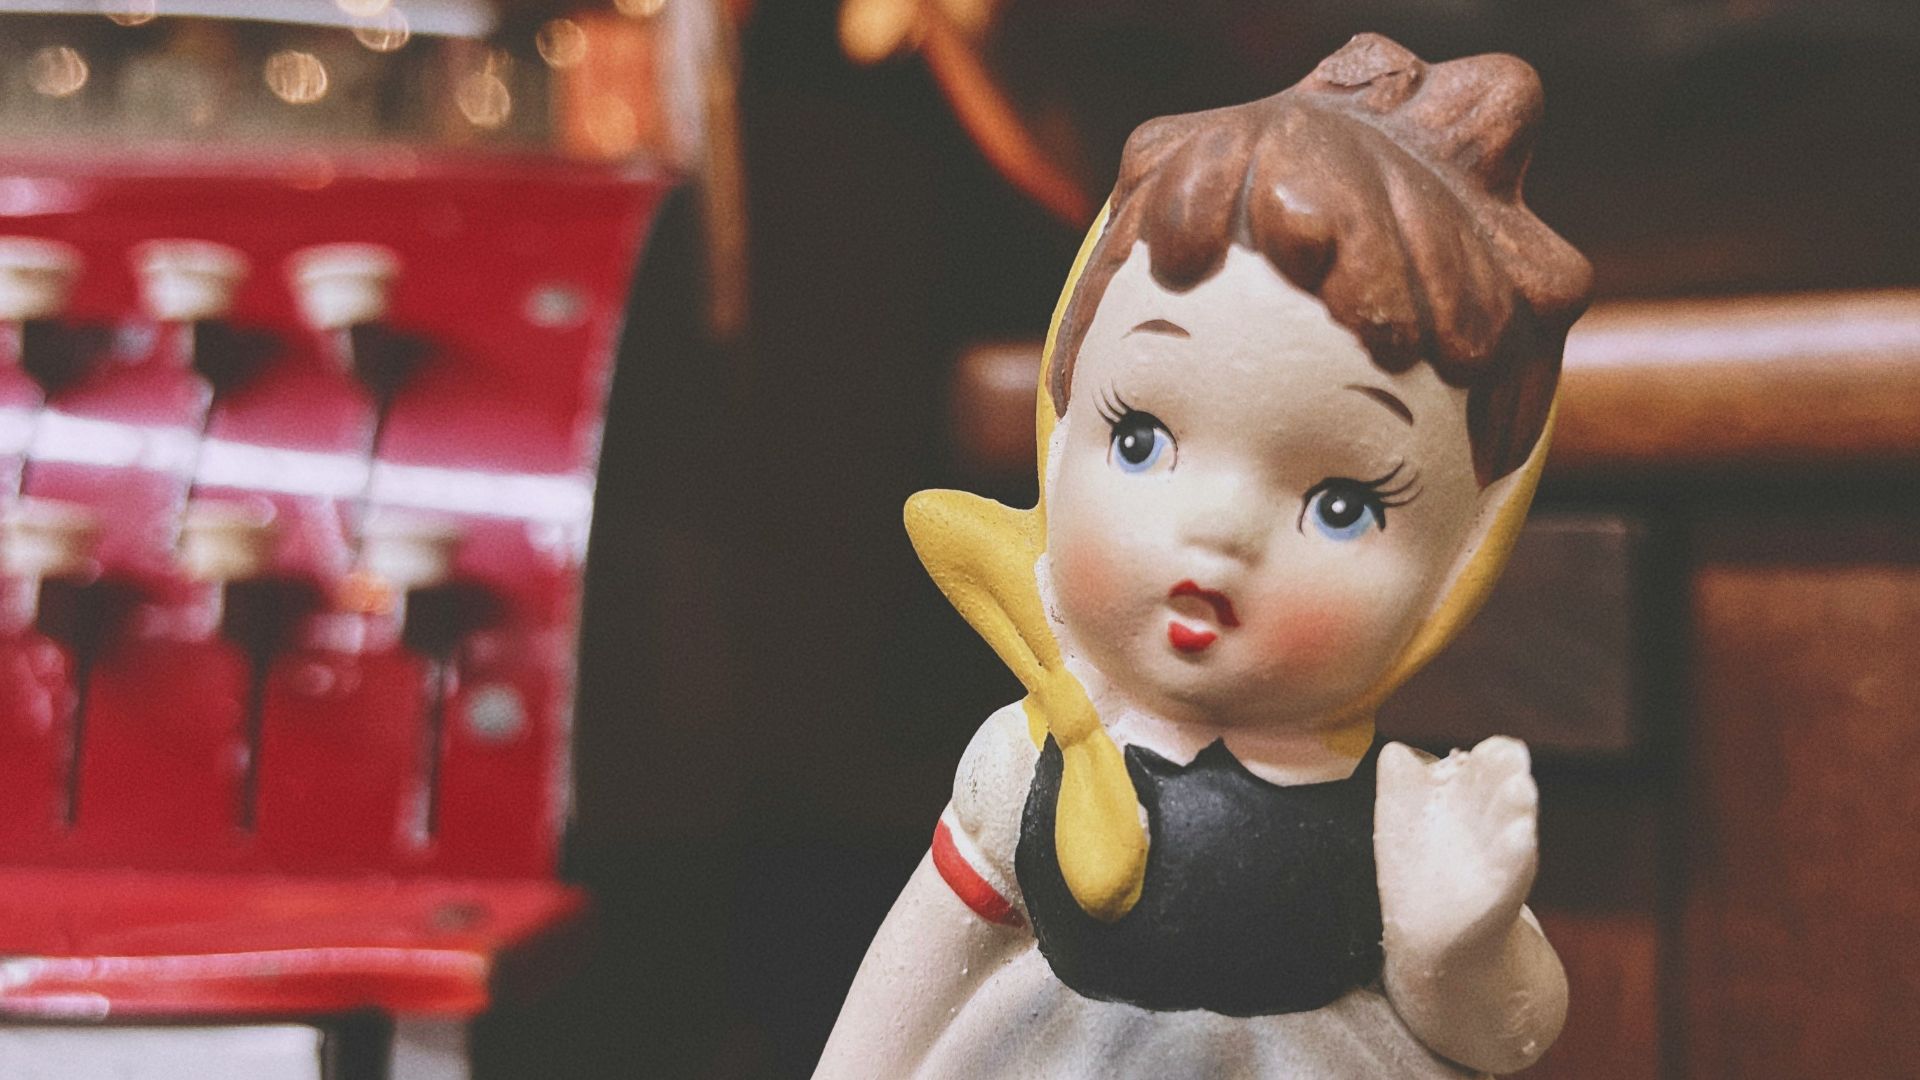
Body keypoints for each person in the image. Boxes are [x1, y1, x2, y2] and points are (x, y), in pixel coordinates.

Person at [817, 32, 1593, 1079]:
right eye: (1139, 440)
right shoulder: (1024, 761)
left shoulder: (1393, 815)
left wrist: (1458, 942)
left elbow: (1513, 1030)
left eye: (1340, 502)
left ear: (1460, 562)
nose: (1216, 534)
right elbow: (915, 967)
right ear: (1063, 413)